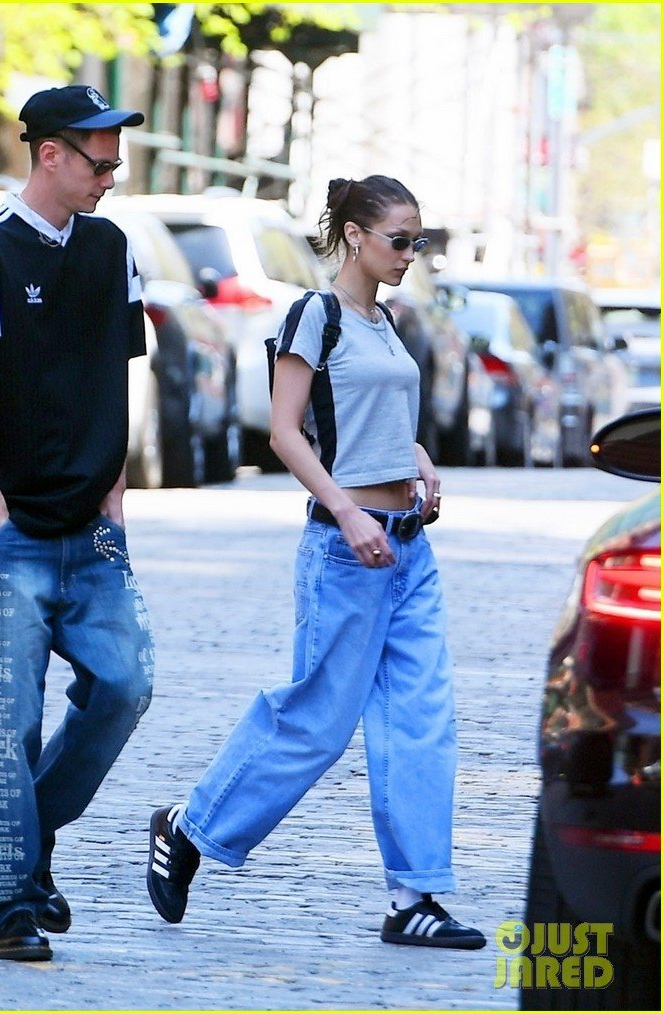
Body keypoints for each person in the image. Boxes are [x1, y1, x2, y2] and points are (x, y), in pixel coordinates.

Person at [145, 175, 486, 950]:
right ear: (357, 236)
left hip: (408, 546)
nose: (410, 254)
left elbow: (383, 422)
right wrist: (344, 509)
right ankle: (189, 825)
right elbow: (287, 431)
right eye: (400, 240)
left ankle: (415, 899)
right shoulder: (316, 315)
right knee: (318, 723)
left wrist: (422, 465)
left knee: (421, 720)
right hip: (346, 549)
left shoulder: (386, 321)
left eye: (419, 241)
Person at [0, 84, 156, 962]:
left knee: (127, 685)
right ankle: (7, 911)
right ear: (49, 154)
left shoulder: (113, 250)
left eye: (116, 160)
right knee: (6, 725)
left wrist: (118, 499)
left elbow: (117, 376)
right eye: (99, 159)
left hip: (96, 532)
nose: (112, 175)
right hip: (10, 534)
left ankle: (32, 837)